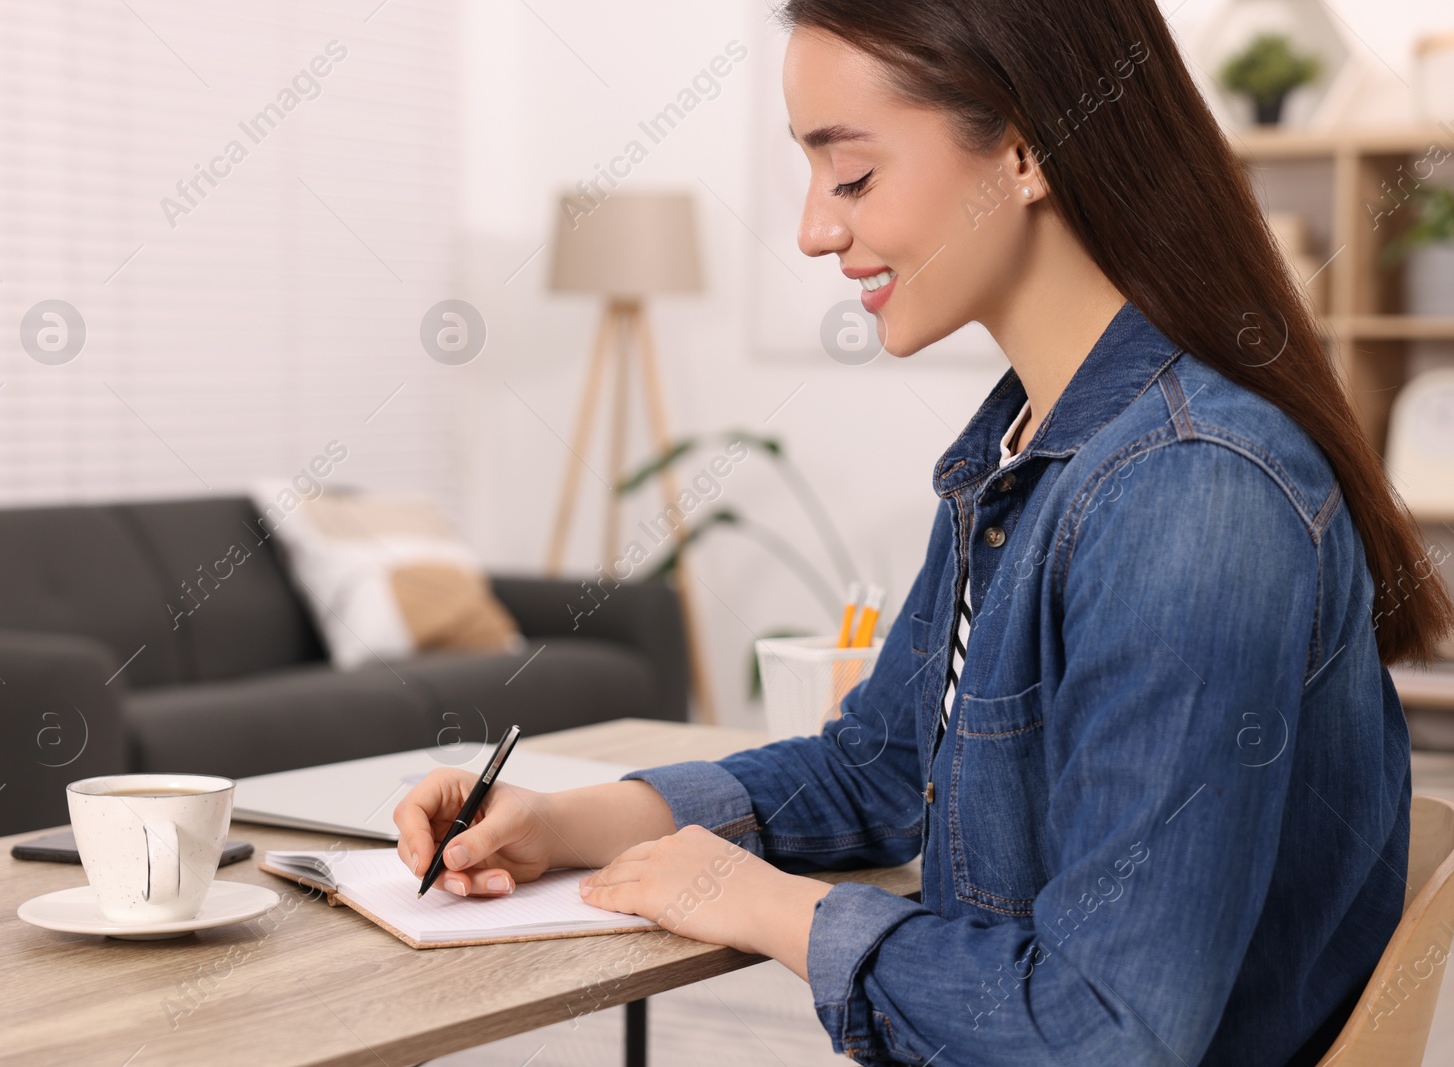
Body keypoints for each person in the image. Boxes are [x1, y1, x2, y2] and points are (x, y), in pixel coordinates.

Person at [395, 1, 1454, 1063]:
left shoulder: (1188, 492)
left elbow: (1108, 1032)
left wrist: (770, 908)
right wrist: (562, 823)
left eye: (851, 177)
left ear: (1026, 152)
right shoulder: (1032, 445)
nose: (815, 228)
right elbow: (882, 762)